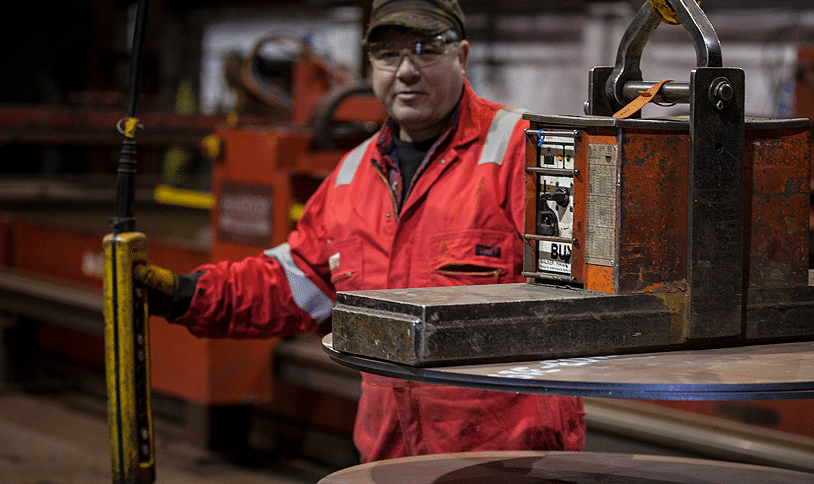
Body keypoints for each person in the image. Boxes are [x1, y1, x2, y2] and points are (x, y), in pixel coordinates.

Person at [135, 0, 586, 464]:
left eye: (427, 49)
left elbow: (586, 299)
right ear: (371, 66)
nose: (406, 70)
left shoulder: (529, 152)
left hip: (508, 462)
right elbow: (297, 283)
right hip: (389, 459)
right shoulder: (351, 177)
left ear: (462, 56)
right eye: (387, 54)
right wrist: (184, 294)